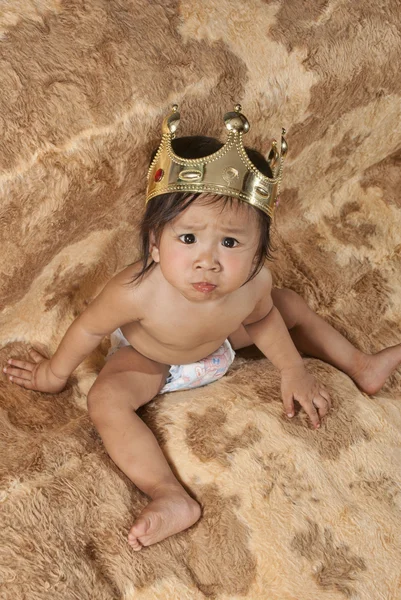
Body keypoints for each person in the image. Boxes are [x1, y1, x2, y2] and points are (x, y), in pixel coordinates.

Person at [3, 105, 401, 552]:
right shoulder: (135, 292)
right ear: (155, 244)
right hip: (153, 359)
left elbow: (264, 318)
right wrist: (53, 375)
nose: (207, 260)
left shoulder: (253, 284)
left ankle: (359, 364)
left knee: (287, 304)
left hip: (222, 343)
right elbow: (86, 329)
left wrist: (292, 369)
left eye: (230, 242)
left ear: (255, 254)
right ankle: (168, 494)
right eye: (188, 238)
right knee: (105, 399)